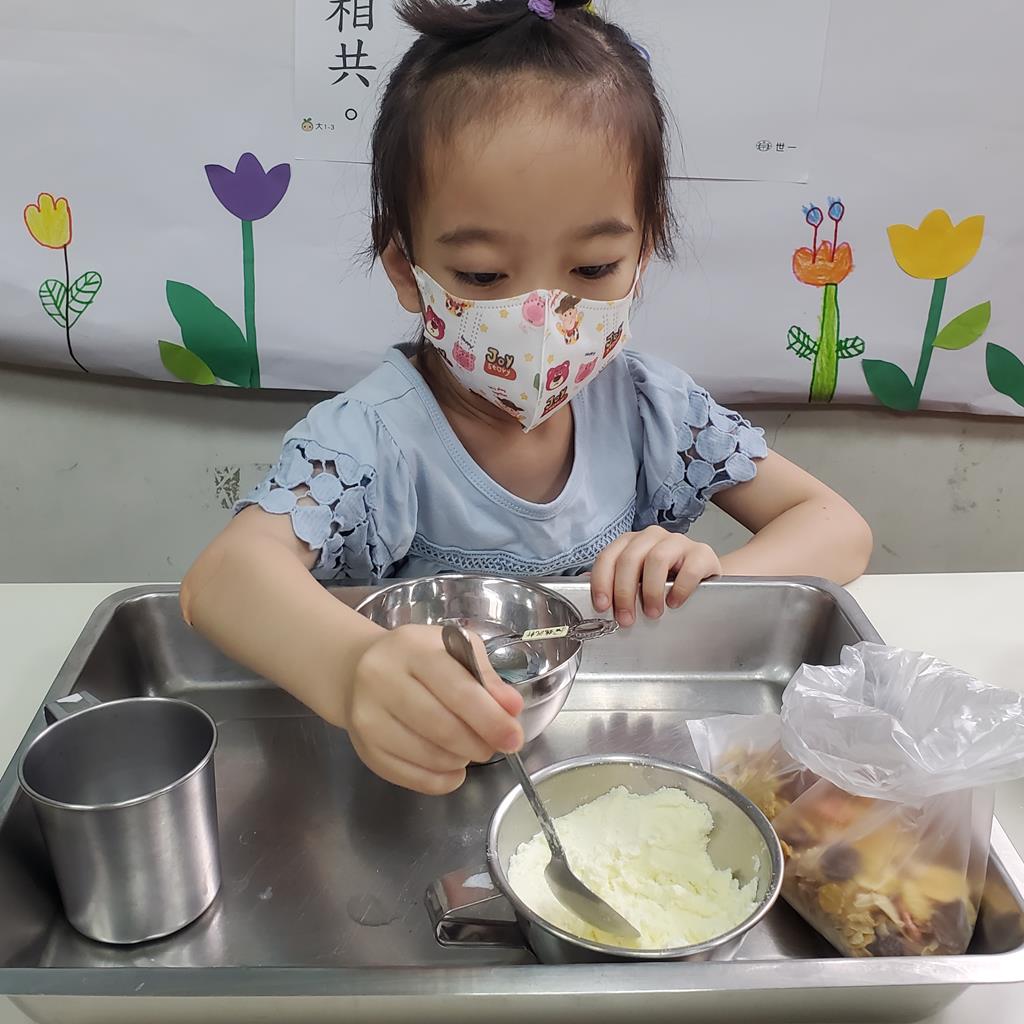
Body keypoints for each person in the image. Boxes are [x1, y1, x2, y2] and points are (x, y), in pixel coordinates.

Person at [181, 0, 872, 796]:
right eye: (482, 276)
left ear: (643, 252)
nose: (542, 315)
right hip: (429, 779)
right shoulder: (369, 441)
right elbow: (221, 580)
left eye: (594, 268)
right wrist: (353, 667)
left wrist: (709, 578)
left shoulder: (655, 410)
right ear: (406, 268)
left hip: (611, 759)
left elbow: (837, 529)